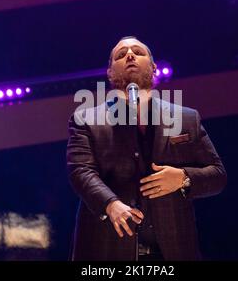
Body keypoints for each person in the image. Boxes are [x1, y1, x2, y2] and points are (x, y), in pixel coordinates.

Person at [67, 36, 227, 261]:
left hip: (173, 252)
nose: (130, 55)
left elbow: (218, 175)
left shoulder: (186, 118)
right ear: (110, 73)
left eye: (137, 52)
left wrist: (183, 178)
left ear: (153, 69)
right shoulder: (86, 119)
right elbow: (81, 172)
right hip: (107, 251)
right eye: (120, 55)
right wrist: (110, 204)